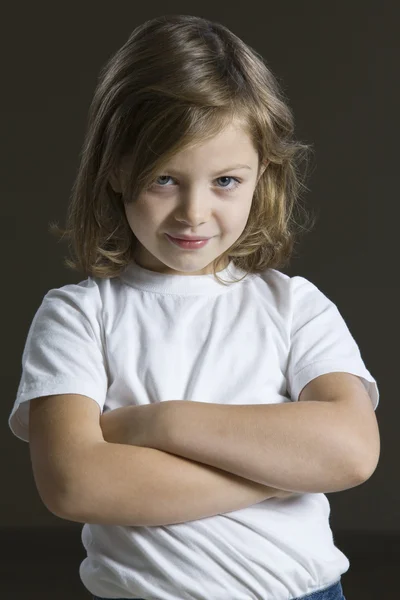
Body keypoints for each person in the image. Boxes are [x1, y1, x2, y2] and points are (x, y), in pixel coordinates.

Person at [8, 14, 380, 600]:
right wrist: (282, 471)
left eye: (226, 181)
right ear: (116, 171)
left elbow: (351, 452)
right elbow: (77, 485)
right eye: (164, 179)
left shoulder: (295, 307)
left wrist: (159, 423)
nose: (193, 212)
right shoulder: (78, 317)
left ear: (263, 175)